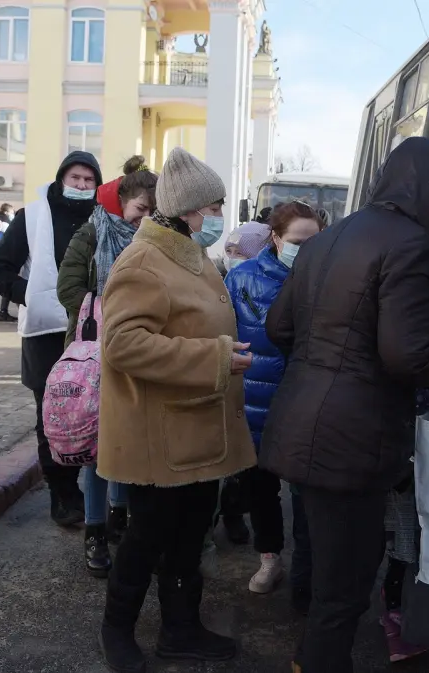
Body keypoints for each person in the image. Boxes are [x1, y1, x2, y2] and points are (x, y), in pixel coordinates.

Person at [259, 137, 429, 673]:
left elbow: (279, 326)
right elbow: (408, 356)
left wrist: (322, 366)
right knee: (343, 590)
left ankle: (310, 657)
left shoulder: (329, 239)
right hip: (351, 442)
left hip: (300, 427)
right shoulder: (412, 245)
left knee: (332, 565)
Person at [97, 147, 256, 672]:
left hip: (192, 426)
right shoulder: (145, 260)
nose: (218, 216)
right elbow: (121, 344)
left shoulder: (187, 251)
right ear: (187, 208)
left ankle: (180, 628)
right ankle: (116, 632)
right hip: (158, 433)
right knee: (146, 539)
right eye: (213, 206)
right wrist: (213, 357)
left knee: (189, 537)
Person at [0, 151, 102, 527]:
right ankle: (64, 496)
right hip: (46, 334)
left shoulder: (105, 218)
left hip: (93, 333)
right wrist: (34, 295)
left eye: (89, 180)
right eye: (75, 178)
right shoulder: (32, 217)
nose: (82, 186)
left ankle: (100, 497)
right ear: (60, 179)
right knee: (54, 416)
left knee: (97, 412)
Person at [56, 156, 158, 577]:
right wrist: (109, 313)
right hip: (95, 352)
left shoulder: (154, 241)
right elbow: (67, 287)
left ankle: (121, 513)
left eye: (153, 212)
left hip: (138, 353)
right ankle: (95, 529)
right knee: (99, 449)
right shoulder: (92, 231)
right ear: (121, 205)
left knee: (129, 441)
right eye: (140, 211)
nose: (145, 220)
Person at [225, 202, 325, 603]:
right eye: (298, 242)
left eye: (315, 242)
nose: (306, 250)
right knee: (261, 490)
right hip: (256, 404)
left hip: (309, 408)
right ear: (276, 238)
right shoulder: (242, 279)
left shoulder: (331, 280)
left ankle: (307, 567)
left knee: (306, 497)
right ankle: (270, 558)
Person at [212, 219, 272, 546]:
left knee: (249, 466)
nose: (233, 256)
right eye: (230, 250)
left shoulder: (268, 286)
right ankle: (227, 514)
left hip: (255, 380)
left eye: (241, 251)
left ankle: (234, 512)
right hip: (229, 377)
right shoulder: (224, 281)